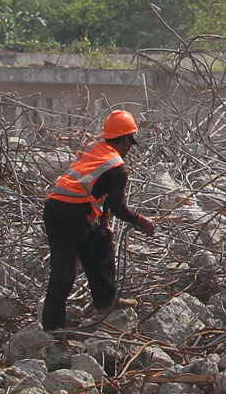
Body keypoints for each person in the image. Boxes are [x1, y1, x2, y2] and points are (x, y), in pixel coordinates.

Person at [42, 109, 157, 332]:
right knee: (64, 273)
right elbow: (118, 207)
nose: (129, 150)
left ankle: (105, 301)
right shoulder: (117, 167)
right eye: (130, 144)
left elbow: (97, 189)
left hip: (70, 210)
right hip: (63, 215)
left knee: (101, 240)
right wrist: (141, 221)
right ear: (125, 139)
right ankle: (51, 329)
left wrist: (103, 224)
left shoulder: (95, 147)